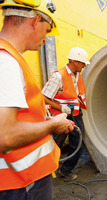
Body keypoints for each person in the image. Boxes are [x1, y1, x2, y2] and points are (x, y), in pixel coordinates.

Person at [0, 0, 74, 199]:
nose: (46, 38)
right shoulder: (6, 63)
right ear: (36, 20)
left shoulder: (10, 59)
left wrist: (44, 122)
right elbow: (5, 136)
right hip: (20, 183)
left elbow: (16, 120)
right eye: (47, 29)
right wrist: (52, 125)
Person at [42, 47, 89, 180]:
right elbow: (44, 97)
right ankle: (46, 171)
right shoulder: (58, 76)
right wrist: (62, 108)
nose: (84, 66)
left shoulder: (77, 75)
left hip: (75, 113)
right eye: (82, 63)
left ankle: (66, 170)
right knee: (55, 144)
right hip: (60, 115)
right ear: (75, 62)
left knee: (79, 141)